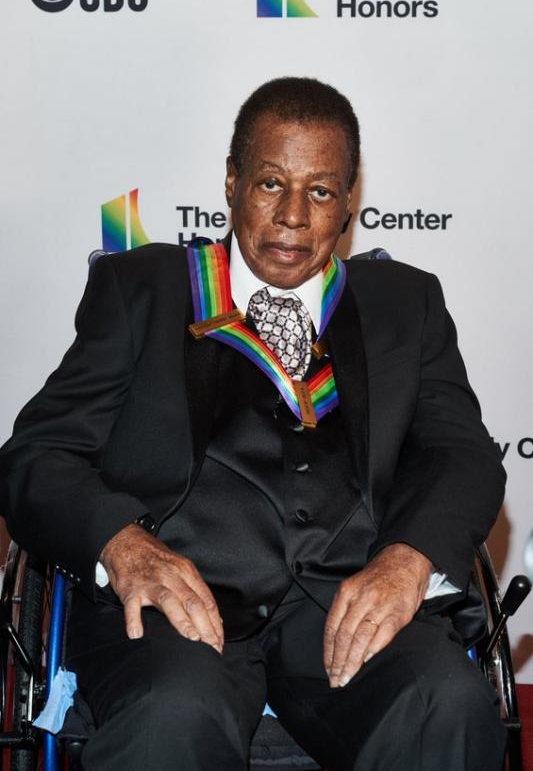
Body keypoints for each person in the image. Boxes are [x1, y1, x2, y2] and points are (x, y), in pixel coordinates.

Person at [0, 77, 507, 770]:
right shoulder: (140, 289)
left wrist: (407, 558)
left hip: (346, 604)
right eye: (271, 184)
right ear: (233, 182)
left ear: (349, 200)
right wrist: (122, 544)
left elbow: (462, 455)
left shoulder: (405, 303)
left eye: (321, 191)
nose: (293, 216)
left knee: (445, 700)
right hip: (179, 609)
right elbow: (37, 454)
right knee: (171, 714)